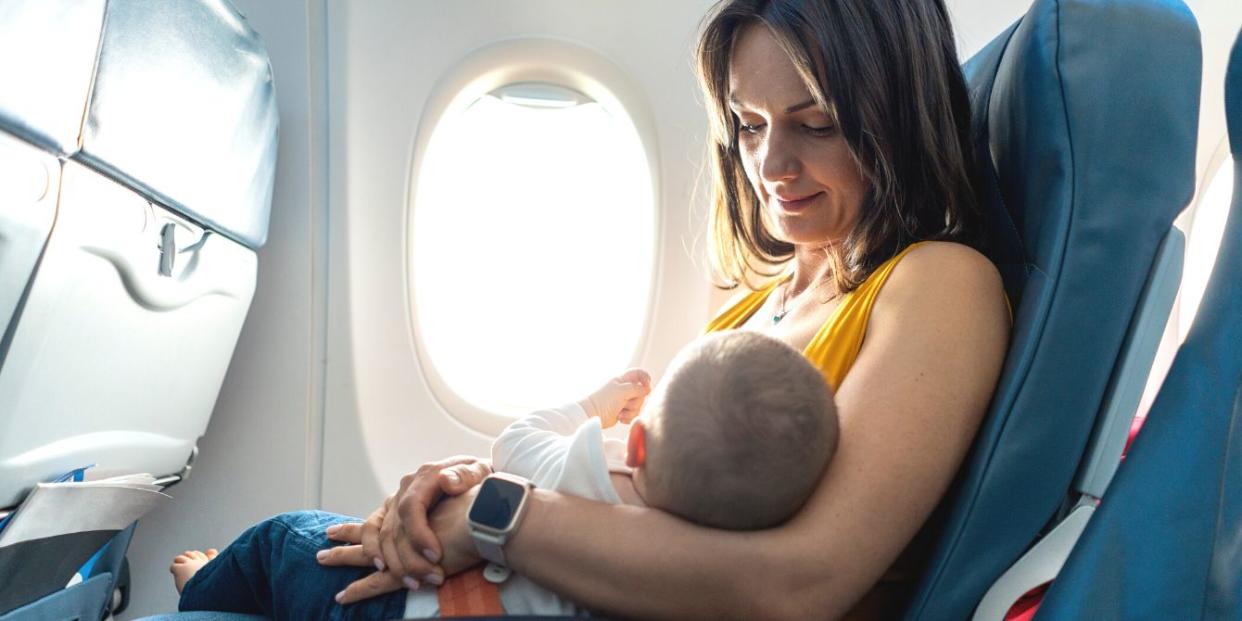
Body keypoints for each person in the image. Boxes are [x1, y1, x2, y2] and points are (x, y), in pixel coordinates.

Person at [317, 0, 1011, 619]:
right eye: (748, 123)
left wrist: (496, 513)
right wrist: (469, 480)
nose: (770, 163)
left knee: (284, 556)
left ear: (899, 118)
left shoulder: (939, 283)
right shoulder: (749, 314)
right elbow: (639, 495)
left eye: (817, 123)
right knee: (312, 548)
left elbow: (800, 584)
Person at [168, 332, 839, 619]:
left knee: (279, 540)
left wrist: (594, 406)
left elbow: (515, 443)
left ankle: (204, 585)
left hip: (394, 601)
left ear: (635, 441)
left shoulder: (600, 466)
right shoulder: (690, 569)